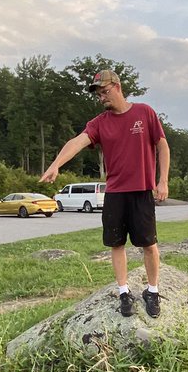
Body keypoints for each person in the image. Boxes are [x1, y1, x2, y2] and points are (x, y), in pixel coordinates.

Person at [40, 69, 171, 318]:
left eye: (105, 92)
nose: (102, 98)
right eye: (98, 94)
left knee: (149, 244)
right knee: (116, 243)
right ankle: (124, 292)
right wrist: (56, 164)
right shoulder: (100, 122)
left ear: (118, 87)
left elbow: (162, 145)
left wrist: (162, 180)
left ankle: (152, 290)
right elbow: (77, 142)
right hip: (115, 193)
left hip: (142, 191)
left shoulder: (144, 112)